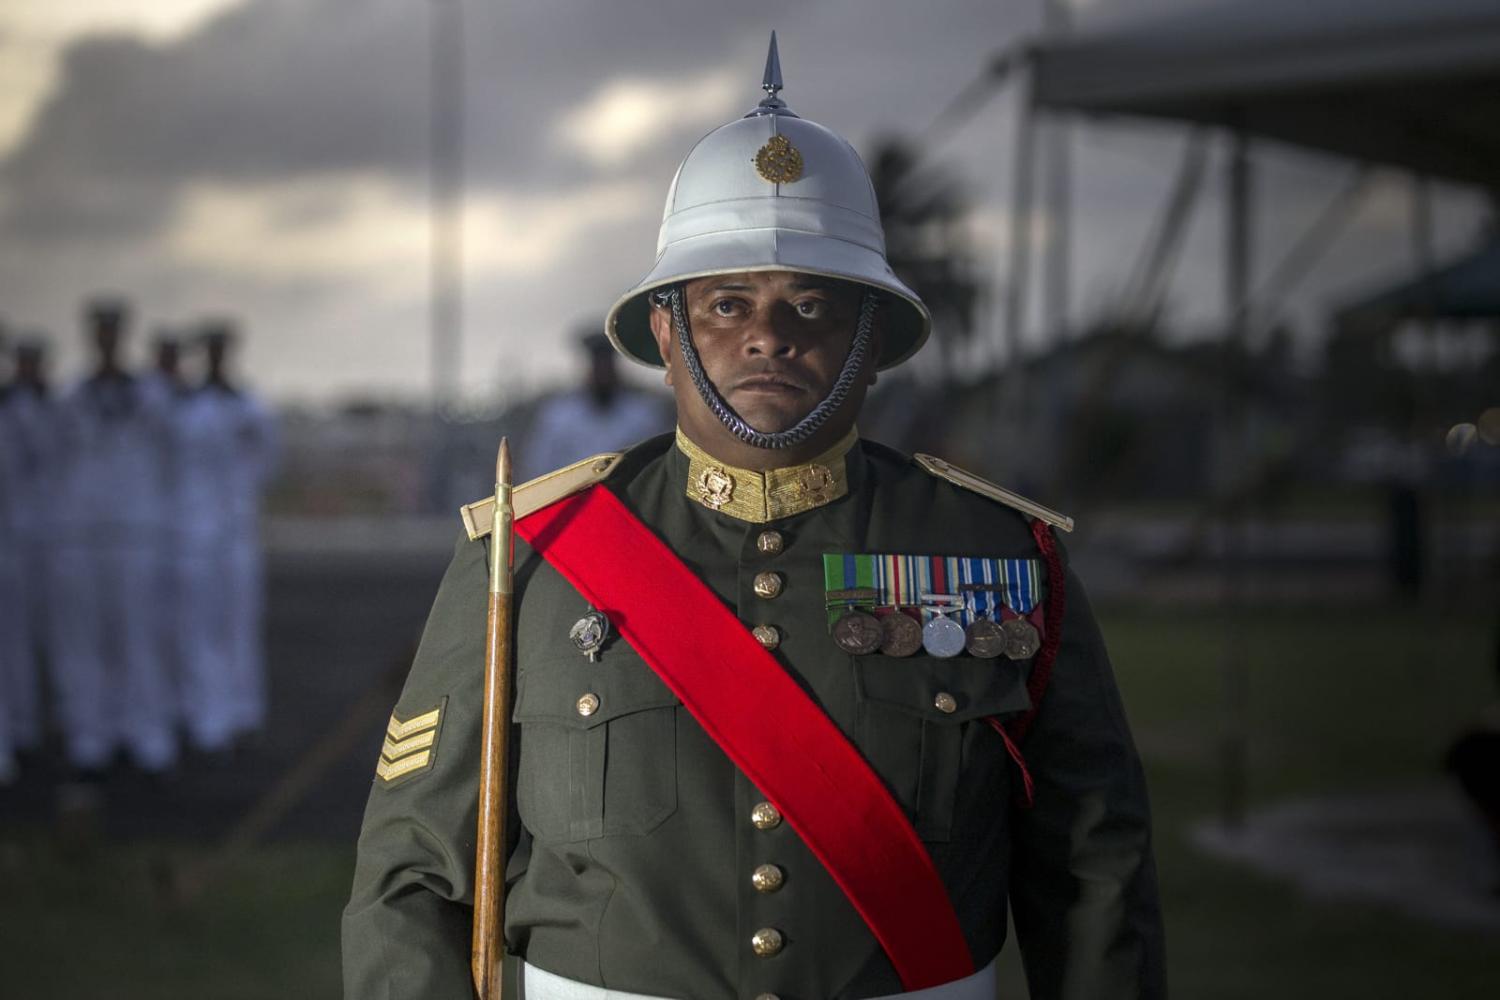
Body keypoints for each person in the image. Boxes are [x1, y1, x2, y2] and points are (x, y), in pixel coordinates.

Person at [344, 37, 1164, 1000]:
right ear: (663, 329)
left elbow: (1092, 870)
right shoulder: (531, 555)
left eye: (810, 304)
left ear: (873, 337)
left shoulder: (996, 551)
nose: (767, 334)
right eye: (727, 304)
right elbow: (413, 875)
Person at [49, 298, 178, 775]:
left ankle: (145, 731)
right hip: (81, 534)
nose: (106, 338)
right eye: (99, 331)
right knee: (85, 641)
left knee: (140, 638)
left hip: (137, 532)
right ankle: (90, 732)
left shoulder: (152, 396)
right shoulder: (70, 397)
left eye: (112, 330)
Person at [172, 322, 278, 751]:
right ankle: (207, 715)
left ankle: (241, 710)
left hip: (235, 531)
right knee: (201, 628)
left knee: (238, 624)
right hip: (195, 533)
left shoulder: (248, 405)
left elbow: (269, 459)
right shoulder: (184, 408)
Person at [0, 334, 58, 781]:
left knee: (14, 646)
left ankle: (16, 734)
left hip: (15, 543)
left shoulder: (21, 411)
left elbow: (47, 457)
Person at [519, 327, 669, 480]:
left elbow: (655, 465)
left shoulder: (642, 414)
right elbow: (539, 467)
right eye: (598, 364)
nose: (603, 373)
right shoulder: (558, 417)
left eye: (607, 364)